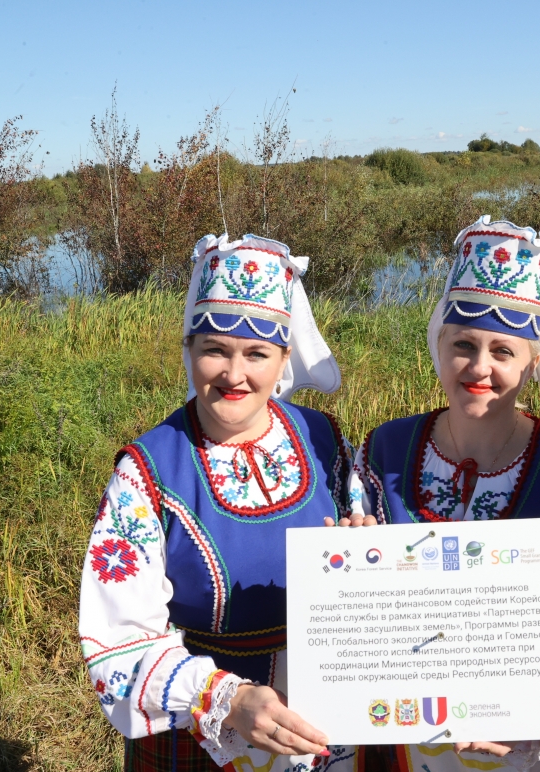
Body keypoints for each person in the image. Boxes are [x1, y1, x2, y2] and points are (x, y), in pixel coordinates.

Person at [79, 233, 365, 771]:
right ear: (188, 350)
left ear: (283, 358)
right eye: (215, 350)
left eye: (257, 353)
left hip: (320, 723)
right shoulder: (147, 471)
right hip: (202, 739)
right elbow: (115, 643)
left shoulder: (324, 440)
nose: (235, 375)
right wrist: (225, 698)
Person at [349, 216, 540, 772]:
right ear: (439, 344)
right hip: (399, 728)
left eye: (503, 351)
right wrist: (349, 557)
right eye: (463, 344)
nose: (479, 367)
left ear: (533, 361)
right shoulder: (384, 451)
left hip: (523, 740)